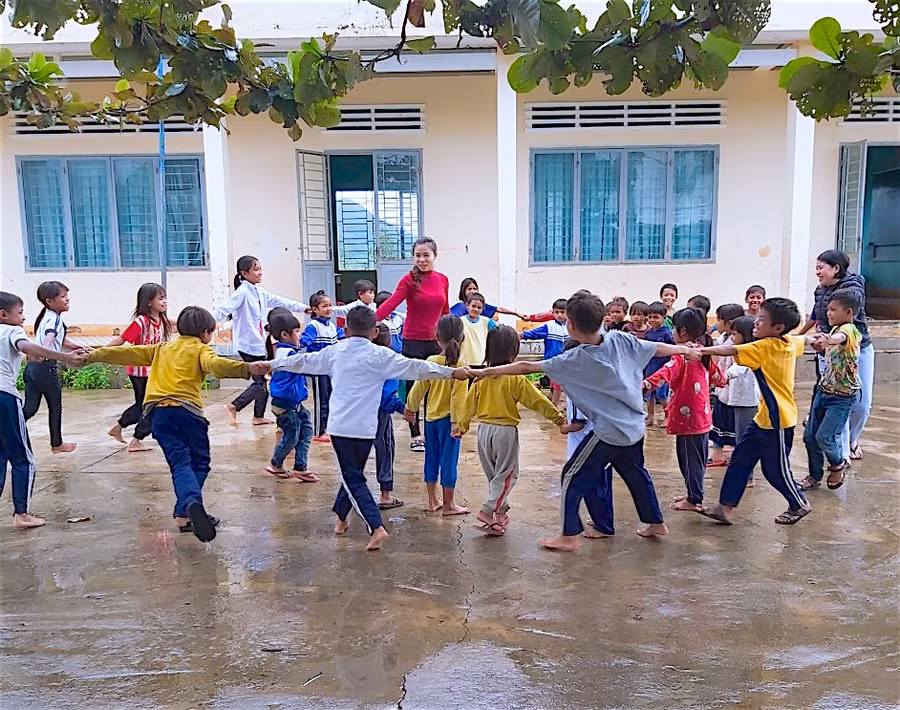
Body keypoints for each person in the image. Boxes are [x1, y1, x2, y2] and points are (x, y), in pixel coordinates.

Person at [471, 290, 701, 552]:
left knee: (571, 475)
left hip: (609, 433)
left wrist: (484, 371)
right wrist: (684, 350)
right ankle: (655, 522)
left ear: (570, 325)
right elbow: (657, 348)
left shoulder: (574, 359)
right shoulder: (621, 339)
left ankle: (569, 535)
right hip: (634, 429)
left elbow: (525, 368)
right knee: (636, 475)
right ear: (603, 318)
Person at [261, 306, 470, 551]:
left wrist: (270, 365)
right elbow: (417, 367)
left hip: (341, 428)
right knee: (353, 474)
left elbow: (302, 361)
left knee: (352, 477)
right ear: (374, 332)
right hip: (366, 429)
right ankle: (340, 518)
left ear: (346, 330)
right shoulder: (381, 356)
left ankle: (375, 526)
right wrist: (452, 372)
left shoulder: (336, 352)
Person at [86, 306, 256, 542]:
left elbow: (125, 353)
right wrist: (247, 368)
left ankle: (183, 515)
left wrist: (92, 355)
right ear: (206, 333)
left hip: (158, 416)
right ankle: (193, 503)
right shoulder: (201, 349)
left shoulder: (161, 348)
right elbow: (217, 365)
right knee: (199, 463)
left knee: (179, 463)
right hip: (188, 413)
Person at [697, 298, 812, 526]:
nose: (755, 324)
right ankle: (725, 508)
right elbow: (803, 340)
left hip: (777, 420)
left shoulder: (764, 346)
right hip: (764, 418)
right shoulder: (788, 341)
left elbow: (731, 348)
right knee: (740, 459)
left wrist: (700, 350)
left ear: (777, 328)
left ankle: (799, 503)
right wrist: (817, 338)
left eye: (761, 320)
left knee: (775, 470)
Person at [457, 325, 568, 535]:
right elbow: (538, 402)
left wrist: (461, 427)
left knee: (496, 478)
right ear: (513, 352)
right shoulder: (516, 378)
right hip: (505, 432)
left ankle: (499, 517)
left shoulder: (481, 379)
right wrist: (559, 419)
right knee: (508, 476)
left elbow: (468, 404)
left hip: (483, 433)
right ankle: (488, 511)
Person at [0, 292, 88, 528]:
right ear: (4, 315)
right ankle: (21, 513)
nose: (23, 317)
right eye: (19, 313)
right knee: (23, 458)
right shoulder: (11, 330)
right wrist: (63, 357)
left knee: (1, 453)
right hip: (4, 396)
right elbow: (27, 346)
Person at [643, 308, 724, 512]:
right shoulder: (704, 352)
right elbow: (718, 377)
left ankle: (694, 498)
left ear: (683, 331)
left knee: (689, 461)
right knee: (697, 459)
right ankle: (693, 492)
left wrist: (644, 384)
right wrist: (725, 380)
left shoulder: (682, 355)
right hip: (703, 417)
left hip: (688, 420)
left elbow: (664, 374)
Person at [375, 237, 450, 453]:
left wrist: (450, 338)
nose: (422, 259)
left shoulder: (443, 279)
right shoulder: (409, 280)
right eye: (418, 255)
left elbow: (445, 312)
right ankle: (415, 433)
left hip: (436, 343)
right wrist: (370, 323)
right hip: (413, 342)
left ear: (435, 256)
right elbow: (391, 303)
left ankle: (432, 432)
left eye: (426, 255)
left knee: (434, 388)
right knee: (412, 390)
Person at [214, 255, 307, 426]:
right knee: (261, 381)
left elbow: (281, 301)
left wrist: (304, 308)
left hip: (259, 344)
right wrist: (203, 323)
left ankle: (258, 416)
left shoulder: (260, 292)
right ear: (244, 273)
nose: (260, 272)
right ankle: (234, 406)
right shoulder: (241, 293)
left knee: (264, 379)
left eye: (260, 268)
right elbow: (223, 310)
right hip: (248, 345)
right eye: (255, 269)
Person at [800, 249, 873, 461]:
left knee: (861, 404)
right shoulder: (820, 290)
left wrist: (831, 338)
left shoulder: (854, 287)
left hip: (856, 349)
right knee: (836, 401)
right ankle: (840, 457)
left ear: (836, 268)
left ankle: (852, 439)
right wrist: (799, 335)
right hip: (827, 352)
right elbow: (815, 315)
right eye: (816, 268)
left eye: (821, 268)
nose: (817, 272)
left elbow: (849, 321)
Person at [404, 315, 469, 515]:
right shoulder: (460, 365)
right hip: (449, 422)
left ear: (436, 337)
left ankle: (433, 501)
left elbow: (417, 388)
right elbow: (458, 398)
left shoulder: (431, 361)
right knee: (448, 461)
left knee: (431, 458)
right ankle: (449, 504)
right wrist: (456, 422)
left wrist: (410, 408)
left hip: (430, 420)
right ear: (462, 338)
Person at [801, 289, 862, 492]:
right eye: (827, 310)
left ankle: (838, 464)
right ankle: (814, 475)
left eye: (833, 310)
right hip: (824, 391)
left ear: (849, 312)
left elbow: (841, 339)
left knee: (824, 436)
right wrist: (821, 346)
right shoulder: (835, 330)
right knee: (809, 436)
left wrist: (829, 340)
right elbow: (832, 348)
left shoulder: (850, 330)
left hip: (842, 397)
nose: (828, 313)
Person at [106, 283, 171, 453]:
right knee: (153, 406)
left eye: (165, 298)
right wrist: (101, 352)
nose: (164, 302)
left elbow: (181, 324)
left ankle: (119, 427)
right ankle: (136, 440)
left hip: (153, 371)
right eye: (161, 298)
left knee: (143, 405)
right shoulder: (142, 321)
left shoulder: (162, 320)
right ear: (149, 302)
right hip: (140, 372)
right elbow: (122, 339)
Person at [561, 338, 614, 539]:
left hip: (586, 445)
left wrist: (563, 428)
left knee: (592, 487)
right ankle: (604, 519)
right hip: (604, 438)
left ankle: (603, 526)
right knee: (603, 485)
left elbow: (577, 423)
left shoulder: (575, 386)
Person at [23, 281, 80, 454]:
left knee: (30, 408)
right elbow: (49, 340)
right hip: (45, 369)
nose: (67, 299)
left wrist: (79, 348)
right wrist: (44, 353)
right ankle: (57, 444)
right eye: (62, 296)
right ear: (49, 301)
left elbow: (61, 341)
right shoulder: (53, 319)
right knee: (55, 406)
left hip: (32, 369)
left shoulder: (48, 316)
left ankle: (7, 426)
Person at [265, 309, 318, 482]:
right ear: (284, 334)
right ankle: (276, 463)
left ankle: (300, 467)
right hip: (284, 404)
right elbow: (301, 360)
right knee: (293, 434)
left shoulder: (291, 351)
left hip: (295, 404)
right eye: (296, 331)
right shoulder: (285, 354)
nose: (299, 335)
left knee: (306, 431)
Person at [710, 315, 760, 486]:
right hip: (738, 401)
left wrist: (724, 377)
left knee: (743, 439)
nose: (732, 338)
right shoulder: (743, 350)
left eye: (735, 334)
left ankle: (748, 476)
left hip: (747, 402)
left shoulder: (749, 352)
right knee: (741, 438)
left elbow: (738, 368)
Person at [301, 290, 345, 442]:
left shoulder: (332, 326)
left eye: (330, 305)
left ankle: (329, 427)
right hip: (319, 370)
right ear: (315, 309)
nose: (329, 309)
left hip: (332, 369)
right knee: (322, 400)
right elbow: (304, 341)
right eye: (324, 306)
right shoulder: (313, 326)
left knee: (333, 398)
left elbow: (342, 336)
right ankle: (320, 431)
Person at [708, 303, 747, 466]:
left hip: (734, 392)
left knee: (735, 427)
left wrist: (724, 377)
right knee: (718, 422)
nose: (717, 323)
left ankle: (736, 458)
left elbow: (737, 368)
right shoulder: (723, 339)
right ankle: (717, 454)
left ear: (729, 323)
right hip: (722, 391)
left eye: (720, 320)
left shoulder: (738, 344)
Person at [373, 325, 405, 510]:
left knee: (356, 453)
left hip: (357, 410)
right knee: (385, 448)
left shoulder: (362, 357)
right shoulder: (389, 360)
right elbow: (386, 397)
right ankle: (385, 494)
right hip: (379, 412)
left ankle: (351, 495)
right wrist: (404, 409)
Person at [521, 298, 568, 408]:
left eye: (562, 312)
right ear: (553, 313)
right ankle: (556, 403)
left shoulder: (570, 327)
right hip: (551, 359)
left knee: (557, 381)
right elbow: (534, 333)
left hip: (566, 359)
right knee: (555, 381)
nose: (559, 315)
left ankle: (554, 399)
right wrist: (522, 335)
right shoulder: (549, 326)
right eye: (557, 312)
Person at [644, 302, 675, 426]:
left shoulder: (666, 333)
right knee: (648, 393)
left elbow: (672, 349)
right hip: (650, 366)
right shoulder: (649, 332)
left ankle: (668, 416)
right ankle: (651, 416)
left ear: (664, 317)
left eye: (656, 317)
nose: (652, 320)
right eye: (650, 317)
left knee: (662, 393)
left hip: (662, 368)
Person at [448, 277, 523, 320]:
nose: (472, 291)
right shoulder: (459, 307)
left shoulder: (480, 306)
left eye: (475, 288)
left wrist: (516, 313)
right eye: (469, 289)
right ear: (463, 291)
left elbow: (498, 309)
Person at [457, 292, 497, 366]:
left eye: (479, 308)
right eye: (473, 306)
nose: (476, 309)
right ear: (467, 306)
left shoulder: (487, 322)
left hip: (481, 362)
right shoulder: (460, 321)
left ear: (482, 309)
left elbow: (499, 331)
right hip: (464, 363)